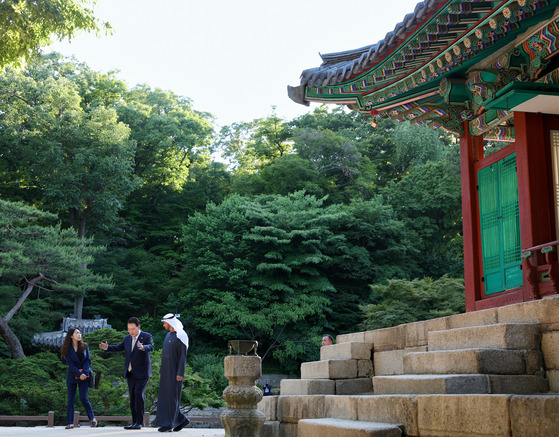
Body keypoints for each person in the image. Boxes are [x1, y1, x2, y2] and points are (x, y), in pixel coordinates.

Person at [99, 317, 153, 430]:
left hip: (142, 373)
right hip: (130, 373)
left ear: (139, 327)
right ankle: (134, 422)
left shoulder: (146, 336)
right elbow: (118, 347)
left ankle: (139, 422)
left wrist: (143, 347)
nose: (131, 331)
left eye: (133, 329)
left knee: (139, 395)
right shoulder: (127, 338)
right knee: (132, 398)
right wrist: (107, 347)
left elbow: (151, 347)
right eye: (129, 329)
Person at [155, 313, 190, 433]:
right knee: (166, 397)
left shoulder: (181, 335)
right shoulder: (168, 335)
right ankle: (181, 420)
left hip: (175, 371)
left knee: (172, 397)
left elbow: (183, 357)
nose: (164, 325)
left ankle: (168, 424)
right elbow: (164, 355)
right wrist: (161, 370)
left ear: (170, 323)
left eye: (164, 323)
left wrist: (180, 372)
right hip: (165, 371)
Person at [60, 327, 97, 429]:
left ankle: (92, 419)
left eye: (80, 333)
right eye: (77, 333)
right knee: (71, 399)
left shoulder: (85, 346)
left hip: (84, 376)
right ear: (71, 336)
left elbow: (88, 361)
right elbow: (70, 364)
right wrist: (78, 374)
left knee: (83, 398)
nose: (79, 335)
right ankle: (70, 423)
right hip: (72, 375)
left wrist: (84, 373)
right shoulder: (66, 348)